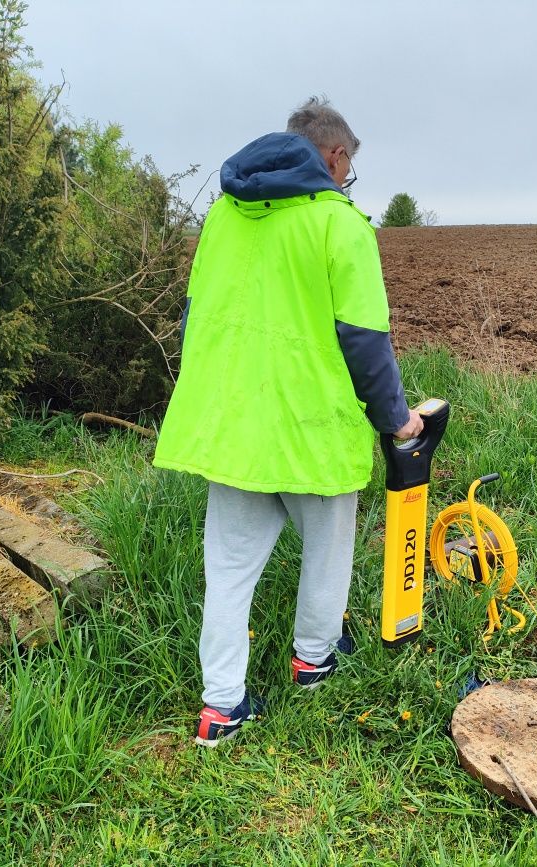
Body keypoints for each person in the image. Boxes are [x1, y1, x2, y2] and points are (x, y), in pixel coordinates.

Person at [153, 96, 423, 747]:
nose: (349, 177)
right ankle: (313, 662)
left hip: (234, 430)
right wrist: (398, 421)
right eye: (350, 166)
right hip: (313, 431)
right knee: (326, 559)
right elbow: (365, 341)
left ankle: (220, 707)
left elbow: (196, 320)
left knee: (230, 570)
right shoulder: (342, 225)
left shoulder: (221, 217)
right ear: (333, 157)